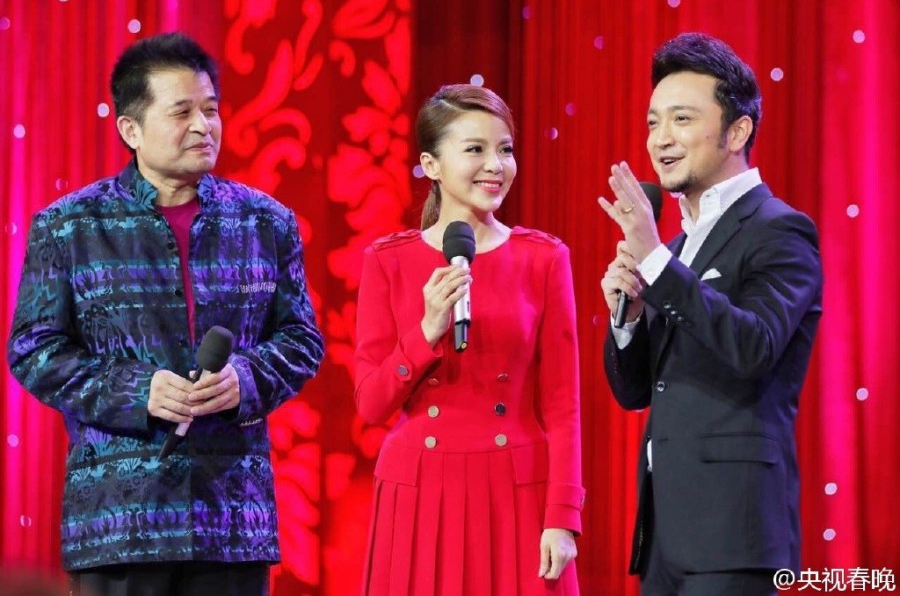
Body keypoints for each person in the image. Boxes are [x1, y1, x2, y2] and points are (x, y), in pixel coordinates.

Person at [7, 33, 325, 596]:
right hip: (119, 519)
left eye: (211, 110)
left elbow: (301, 339)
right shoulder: (69, 226)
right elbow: (34, 350)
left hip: (231, 517)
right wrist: (139, 390)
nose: (204, 127)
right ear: (131, 129)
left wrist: (246, 378)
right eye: (182, 113)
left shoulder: (265, 222)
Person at [598, 33, 823, 595]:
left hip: (733, 536)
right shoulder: (676, 248)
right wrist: (627, 319)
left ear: (737, 132)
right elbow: (636, 392)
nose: (661, 139)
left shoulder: (779, 229)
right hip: (664, 539)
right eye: (653, 122)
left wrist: (655, 262)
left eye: (681, 119)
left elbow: (755, 346)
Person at [354, 84, 584, 595]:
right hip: (418, 491)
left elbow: (564, 405)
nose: (495, 165)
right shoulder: (387, 261)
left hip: (517, 489)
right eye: (475, 149)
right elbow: (370, 404)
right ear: (431, 165)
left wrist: (563, 514)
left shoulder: (544, 259)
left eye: (505, 149)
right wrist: (426, 331)